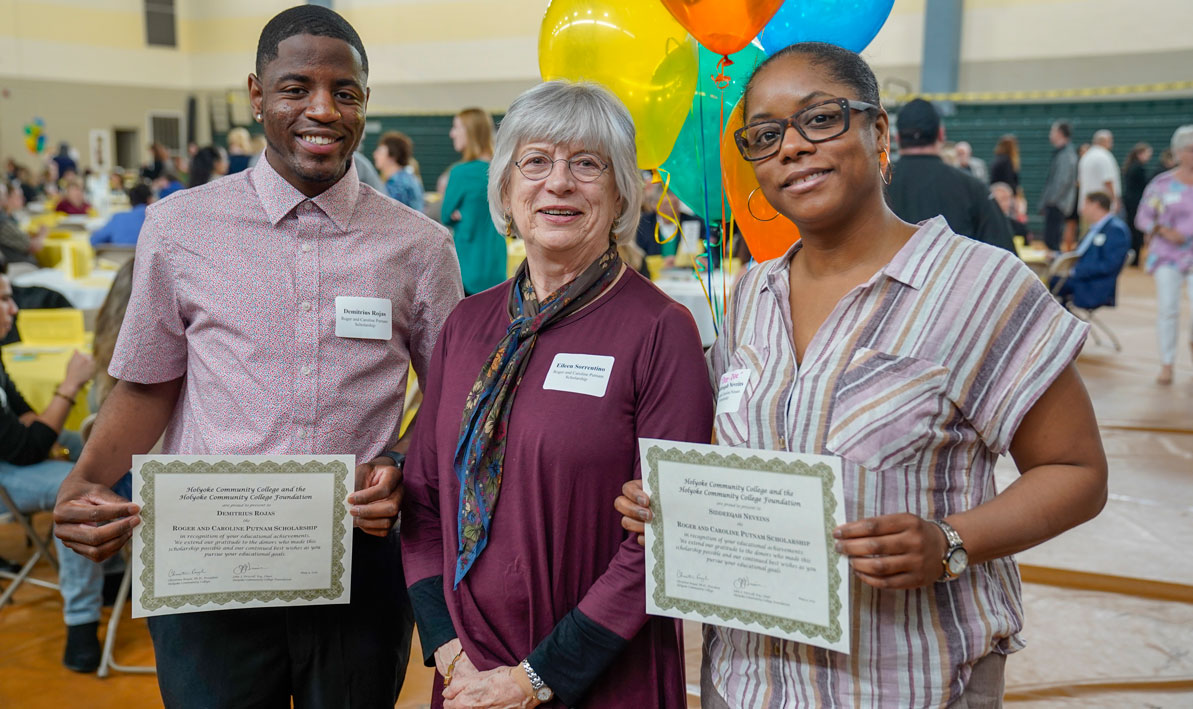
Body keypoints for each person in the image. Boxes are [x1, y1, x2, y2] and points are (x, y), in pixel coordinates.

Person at [617, 42, 1107, 707]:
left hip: (912, 681)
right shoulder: (751, 295)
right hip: (748, 681)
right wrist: (670, 502)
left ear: (877, 132)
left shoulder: (978, 285)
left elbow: (1076, 472)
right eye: (764, 136)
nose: (790, 146)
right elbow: (733, 455)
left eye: (818, 119)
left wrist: (950, 542)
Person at [51, 7, 464, 707]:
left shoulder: (419, 247)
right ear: (255, 94)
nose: (322, 110)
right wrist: (84, 478)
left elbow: (455, 399)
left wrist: (396, 460)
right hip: (207, 565)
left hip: (358, 566)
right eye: (296, 87)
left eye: (346, 92)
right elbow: (147, 385)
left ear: (366, 101)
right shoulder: (180, 226)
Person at [401, 80, 713, 709]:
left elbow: (663, 539)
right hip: (466, 674)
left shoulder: (659, 330)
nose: (559, 183)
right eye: (536, 161)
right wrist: (446, 648)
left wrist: (533, 679)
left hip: (598, 673)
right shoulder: (466, 325)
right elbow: (425, 501)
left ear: (621, 189)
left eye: (587, 163)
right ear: (506, 189)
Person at [0, 261, 113, 672]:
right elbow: (26, 449)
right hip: (6, 475)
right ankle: (81, 624)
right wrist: (69, 387)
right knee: (82, 494)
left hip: (13, 455)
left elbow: (23, 414)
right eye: (3, 299)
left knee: (96, 447)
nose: (14, 309)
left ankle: (112, 573)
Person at [886, 98, 1016, 253]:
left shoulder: (875, 186)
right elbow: (1004, 256)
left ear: (897, 138)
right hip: (955, 275)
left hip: (884, 276)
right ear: (941, 135)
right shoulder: (973, 189)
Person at [1135, 125, 1193, 386]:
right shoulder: (1162, 184)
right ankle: (1167, 364)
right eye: (1190, 150)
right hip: (1167, 256)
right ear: (1179, 152)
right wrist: (1161, 229)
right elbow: (1142, 217)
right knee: (1168, 308)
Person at [442, 108, 507, 295]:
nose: (452, 133)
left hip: (466, 269)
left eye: (456, 127)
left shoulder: (460, 172)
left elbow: (446, 215)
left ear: (470, 132)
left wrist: (458, 214)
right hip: (496, 267)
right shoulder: (501, 171)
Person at [1053, 191, 1131, 309]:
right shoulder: (1096, 228)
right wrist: (1056, 255)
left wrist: (1074, 271)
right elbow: (1078, 253)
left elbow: (1109, 265)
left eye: (1085, 205)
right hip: (1079, 280)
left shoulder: (1115, 230)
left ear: (1095, 205)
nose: (1082, 210)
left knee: (1044, 284)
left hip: (1091, 285)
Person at [1040, 120, 1079, 252]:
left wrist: (1051, 201)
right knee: (1051, 239)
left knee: (1052, 241)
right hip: (1056, 203)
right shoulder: (1062, 153)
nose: (1050, 134)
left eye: (1052, 131)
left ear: (1060, 133)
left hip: (1057, 204)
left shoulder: (1066, 155)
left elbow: (1062, 182)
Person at [374, 130, 425, 211]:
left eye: (380, 151)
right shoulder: (406, 178)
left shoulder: (397, 184)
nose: (375, 154)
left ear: (392, 156)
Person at [1122, 142, 1153, 265]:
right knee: (1136, 231)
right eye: (1147, 153)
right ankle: (1134, 259)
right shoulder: (1138, 168)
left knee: (1132, 229)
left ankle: (1132, 257)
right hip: (1135, 203)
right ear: (1140, 154)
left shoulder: (1131, 166)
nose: (1149, 156)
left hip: (1130, 202)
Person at [0, 181, 45, 267]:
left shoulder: (9, 218)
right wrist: (42, 234)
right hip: (20, 267)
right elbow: (33, 246)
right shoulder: (4, 223)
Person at [1078, 129, 1120, 213]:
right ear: (1105, 141)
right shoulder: (1104, 156)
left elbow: (1079, 182)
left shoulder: (1086, 157)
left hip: (1086, 206)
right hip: (1102, 208)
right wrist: (1115, 201)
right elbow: (1108, 181)